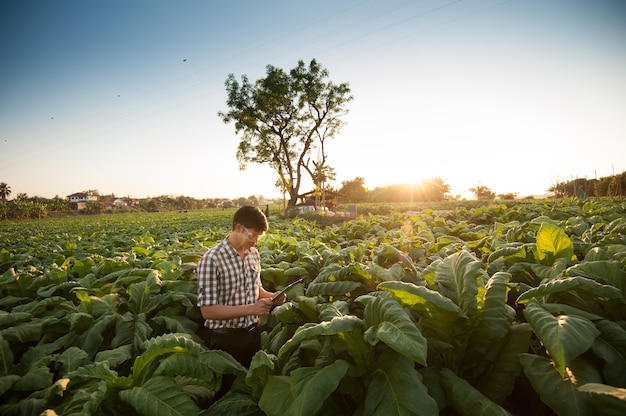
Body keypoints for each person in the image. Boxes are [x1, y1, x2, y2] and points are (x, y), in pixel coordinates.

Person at [196, 205, 284, 397]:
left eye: (258, 238)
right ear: (238, 228)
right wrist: (252, 308)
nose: (254, 242)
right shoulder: (211, 259)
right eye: (252, 236)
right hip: (227, 339)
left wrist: (271, 296)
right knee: (224, 393)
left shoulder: (253, 254)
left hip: (254, 332)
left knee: (252, 387)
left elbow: (255, 289)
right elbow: (208, 311)